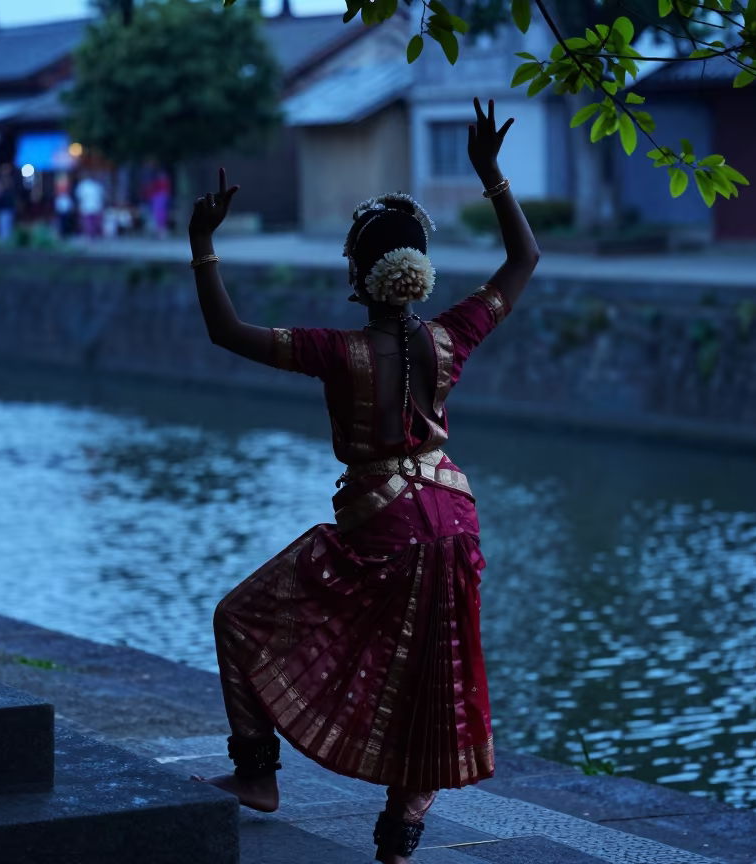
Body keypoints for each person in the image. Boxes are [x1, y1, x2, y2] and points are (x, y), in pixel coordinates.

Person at [187, 98, 539, 864]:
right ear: (418, 273)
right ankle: (398, 843)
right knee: (429, 671)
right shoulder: (451, 335)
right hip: (454, 517)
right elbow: (523, 263)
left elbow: (226, 331)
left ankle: (257, 777)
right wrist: (493, 177)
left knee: (239, 618)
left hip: (384, 521)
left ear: (359, 274)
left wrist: (203, 248)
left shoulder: (336, 351)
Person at [75, 173, 106, 240]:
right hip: (96, 206)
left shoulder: (82, 185)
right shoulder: (97, 185)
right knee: (95, 222)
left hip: (87, 207)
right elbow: (102, 196)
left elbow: (79, 197)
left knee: (88, 222)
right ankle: (94, 235)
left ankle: (91, 236)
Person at [0, 164, 18, 242]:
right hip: (1, 208)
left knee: (8, 227)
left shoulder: (11, 182)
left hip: (9, 207)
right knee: (2, 227)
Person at [149, 169, 172, 237]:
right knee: (159, 215)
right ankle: (159, 231)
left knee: (161, 215)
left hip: (161, 198)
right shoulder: (159, 183)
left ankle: (161, 231)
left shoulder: (163, 184)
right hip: (158, 198)